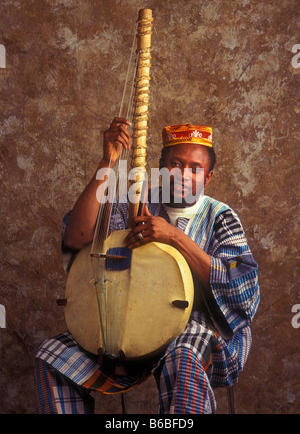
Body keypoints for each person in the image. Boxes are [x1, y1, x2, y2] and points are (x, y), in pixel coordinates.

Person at [34, 118, 260, 414]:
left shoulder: (220, 217)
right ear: (161, 167)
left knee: (185, 352)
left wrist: (175, 236)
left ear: (209, 177)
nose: (182, 175)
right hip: (134, 336)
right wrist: (108, 162)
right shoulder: (137, 203)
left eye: (195, 169)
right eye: (175, 164)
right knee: (52, 356)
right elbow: (76, 239)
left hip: (199, 335)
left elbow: (242, 290)